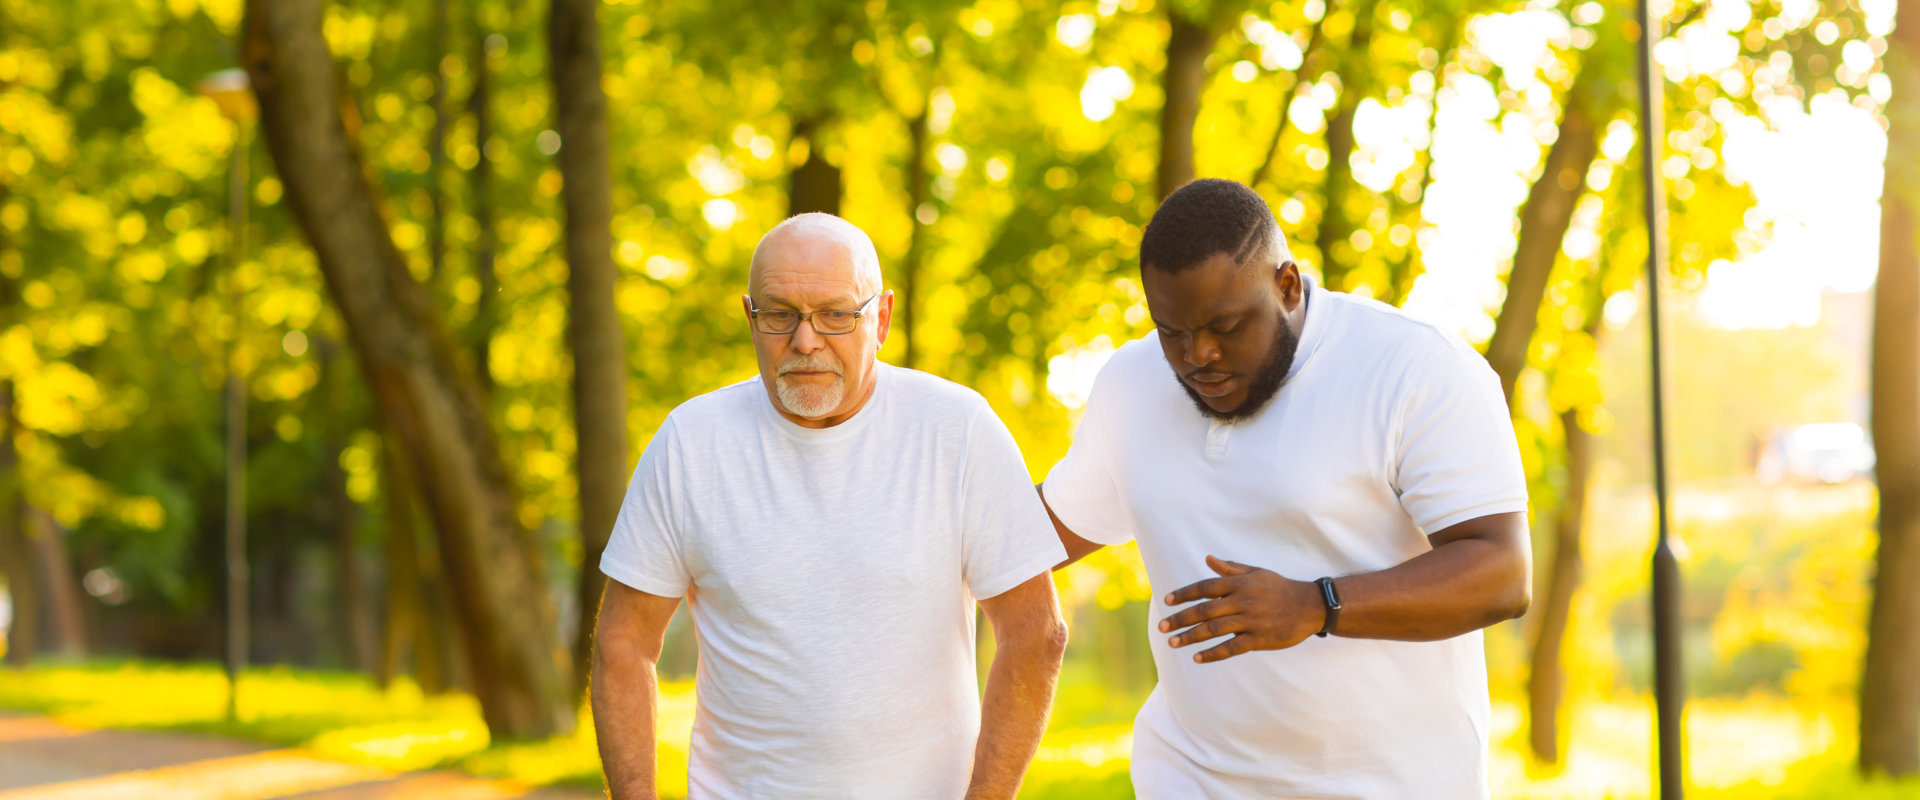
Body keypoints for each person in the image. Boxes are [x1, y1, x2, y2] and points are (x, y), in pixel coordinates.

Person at [1040, 179, 1532, 798]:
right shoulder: (1131, 383)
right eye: (1173, 331)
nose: (1200, 355)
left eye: (1226, 325)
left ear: (1288, 285)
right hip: (1190, 778)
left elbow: (1501, 572)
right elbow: (1041, 534)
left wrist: (1316, 605)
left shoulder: (1415, 369)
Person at [589, 213, 1068, 800]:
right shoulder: (692, 442)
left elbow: (1035, 634)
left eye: (836, 314)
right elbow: (624, 642)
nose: (805, 340)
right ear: (750, 317)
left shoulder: (958, 430)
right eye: (780, 314)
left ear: (882, 318)